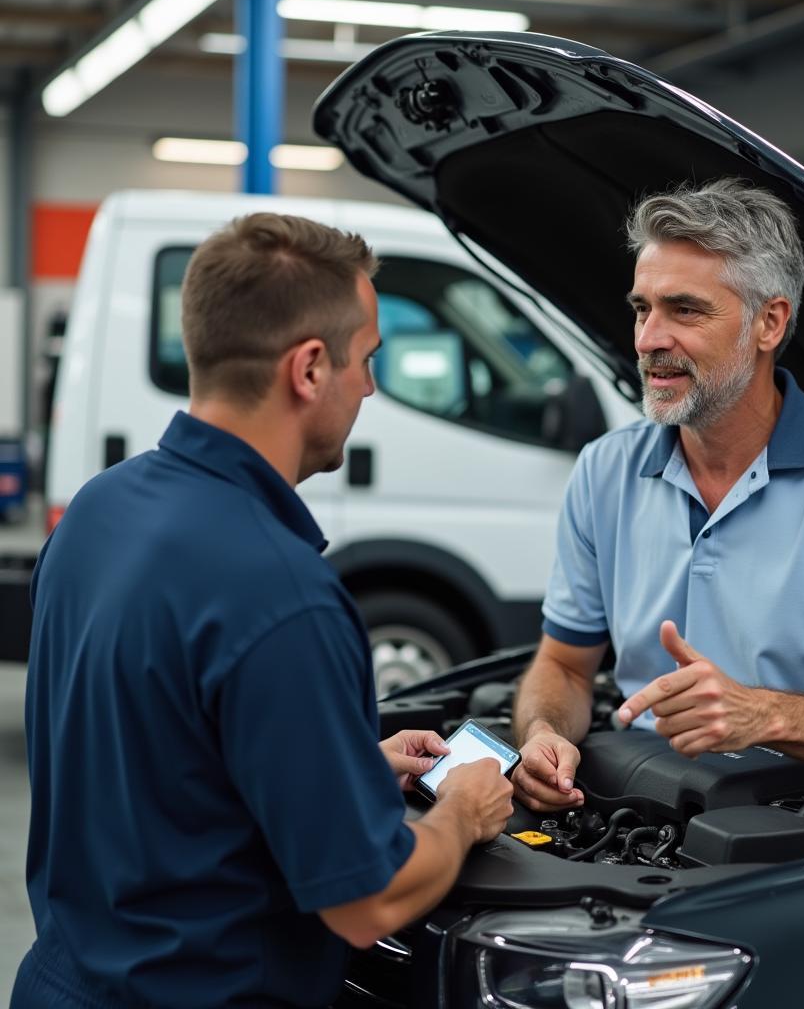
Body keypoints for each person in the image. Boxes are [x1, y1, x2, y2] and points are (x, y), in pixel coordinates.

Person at [13, 213, 513, 1008]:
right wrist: (462, 809)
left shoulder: (100, 512)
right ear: (310, 368)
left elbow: (142, 757)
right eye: (367, 360)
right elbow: (368, 902)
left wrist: (340, 769)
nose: (371, 387)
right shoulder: (282, 594)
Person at [512, 178, 804, 814]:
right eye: (643, 308)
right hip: (632, 804)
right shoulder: (604, 470)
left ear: (769, 323)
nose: (648, 339)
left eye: (685, 310)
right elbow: (563, 666)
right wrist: (542, 735)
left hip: (800, 832)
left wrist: (764, 715)